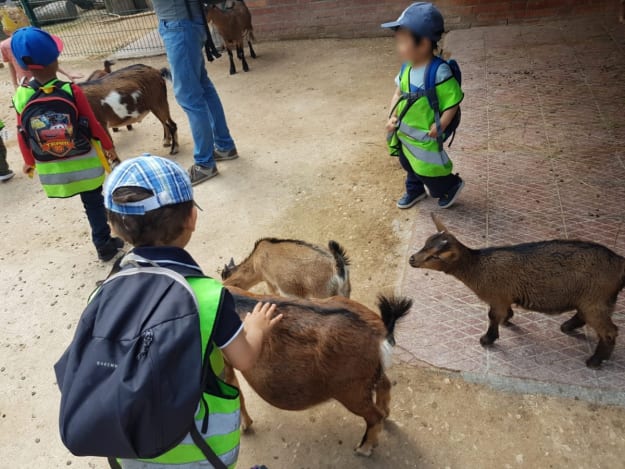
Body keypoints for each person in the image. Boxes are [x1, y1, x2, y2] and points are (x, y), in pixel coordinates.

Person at [103, 155, 282, 468]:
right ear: (192, 219)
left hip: (127, 445)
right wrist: (257, 326)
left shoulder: (104, 292)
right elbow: (244, 358)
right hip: (197, 446)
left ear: (113, 227)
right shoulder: (208, 295)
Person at [11, 27, 123, 261]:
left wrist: (29, 162)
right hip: (85, 164)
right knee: (93, 202)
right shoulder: (71, 90)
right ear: (56, 59)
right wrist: (108, 146)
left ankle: (103, 241)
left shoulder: (20, 97)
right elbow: (93, 124)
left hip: (53, 170)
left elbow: (22, 133)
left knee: (89, 202)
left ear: (23, 66)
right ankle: (104, 244)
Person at [382, 2, 465, 209]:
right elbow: (398, 92)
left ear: (424, 43)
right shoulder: (406, 69)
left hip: (426, 136)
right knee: (408, 163)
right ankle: (415, 190)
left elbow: (452, 101)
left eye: (403, 42)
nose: (398, 47)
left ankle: (450, 186)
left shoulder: (439, 72)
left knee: (428, 168)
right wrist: (391, 117)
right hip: (406, 133)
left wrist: (442, 125)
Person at [152, 0, 239, 186]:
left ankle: (205, 164)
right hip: (187, 23)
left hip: (179, 25)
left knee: (189, 96)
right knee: (203, 87)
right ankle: (224, 146)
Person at [1, 23, 82, 88]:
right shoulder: (33, 39)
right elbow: (47, 60)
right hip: (47, 81)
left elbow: (11, 64)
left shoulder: (5, 45)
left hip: (27, 85)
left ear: (5, 30)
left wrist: (15, 85)